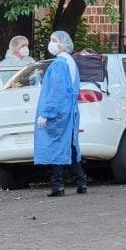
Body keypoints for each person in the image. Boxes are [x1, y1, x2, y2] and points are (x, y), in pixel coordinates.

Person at [33, 31, 87, 197]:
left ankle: (58, 186)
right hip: (69, 111)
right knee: (69, 146)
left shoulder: (58, 64)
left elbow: (56, 92)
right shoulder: (71, 62)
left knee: (55, 147)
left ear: (63, 44)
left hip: (58, 112)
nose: (51, 43)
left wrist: (46, 113)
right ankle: (81, 180)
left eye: (54, 40)